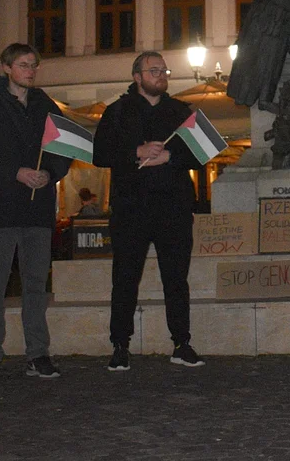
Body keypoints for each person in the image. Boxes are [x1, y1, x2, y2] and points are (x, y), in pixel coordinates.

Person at [0, 43, 72, 384]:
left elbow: (63, 147)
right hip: (2, 209)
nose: (30, 70)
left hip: (38, 210)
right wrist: (15, 172)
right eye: (24, 65)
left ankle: (38, 354)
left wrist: (50, 174)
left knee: (36, 287)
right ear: (8, 67)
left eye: (34, 65)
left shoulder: (44, 105)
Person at [93, 51, 205, 372]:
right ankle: (120, 344)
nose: (161, 75)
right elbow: (100, 153)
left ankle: (181, 343)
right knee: (126, 277)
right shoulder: (116, 112)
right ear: (137, 77)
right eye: (153, 70)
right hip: (131, 208)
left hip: (174, 207)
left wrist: (170, 157)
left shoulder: (180, 112)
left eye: (163, 70)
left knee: (176, 279)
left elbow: (198, 155)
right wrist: (136, 152)